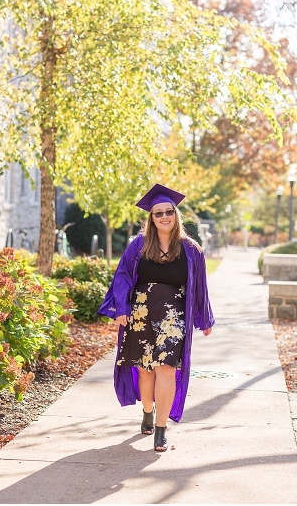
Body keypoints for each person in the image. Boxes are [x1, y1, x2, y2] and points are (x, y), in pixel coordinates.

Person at [99, 184, 214, 452]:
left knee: (166, 369)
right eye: (158, 213)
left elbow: (200, 287)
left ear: (176, 215)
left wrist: (204, 318)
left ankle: (160, 429)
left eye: (169, 212)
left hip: (174, 313)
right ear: (151, 218)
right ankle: (148, 412)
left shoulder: (191, 250)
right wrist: (121, 309)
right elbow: (124, 275)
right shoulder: (138, 245)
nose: (164, 217)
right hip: (140, 311)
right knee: (144, 369)